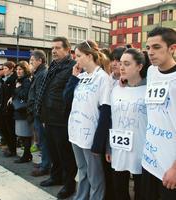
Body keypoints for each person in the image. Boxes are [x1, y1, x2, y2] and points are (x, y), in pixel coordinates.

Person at [63, 40, 112, 200]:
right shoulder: (81, 76)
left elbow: (106, 111)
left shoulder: (103, 78)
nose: (76, 59)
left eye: (78, 56)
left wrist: (99, 141)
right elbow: (66, 99)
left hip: (90, 135)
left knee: (94, 175)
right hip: (75, 132)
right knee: (82, 170)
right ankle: (81, 197)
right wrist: (73, 78)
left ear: (89, 56)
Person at [35, 37, 77, 199]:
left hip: (62, 118)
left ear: (67, 50)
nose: (53, 51)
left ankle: (69, 185)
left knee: (65, 154)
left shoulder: (73, 67)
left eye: (58, 48)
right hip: (49, 116)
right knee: (53, 151)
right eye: (52, 48)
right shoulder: (53, 66)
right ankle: (56, 176)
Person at [106, 48, 149, 200]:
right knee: (119, 190)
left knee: (142, 192)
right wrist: (108, 147)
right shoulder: (116, 89)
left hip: (142, 150)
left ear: (139, 66)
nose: (121, 67)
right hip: (119, 149)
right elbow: (111, 120)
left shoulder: (150, 89)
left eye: (127, 63)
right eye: (120, 63)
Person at [141, 27, 176, 200]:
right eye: (148, 48)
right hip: (149, 160)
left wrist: (175, 169)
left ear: (172, 48)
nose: (151, 53)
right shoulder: (151, 71)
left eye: (156, 47)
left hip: (170, 168)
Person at [27, 50, 51, 176]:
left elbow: (40, 95)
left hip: (40, 114)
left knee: (44, 141)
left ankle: (46, 166)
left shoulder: (42, 73)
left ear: (39, 61)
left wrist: (36, 111)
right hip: (37, 112)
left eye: (32, 61)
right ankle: (44, 163)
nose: (30, 64)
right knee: (42, 140)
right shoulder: (38, 73)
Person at [10, 61, 32, 163]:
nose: (18, 71)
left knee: (25, 135)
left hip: (23, 111)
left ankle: (26, 155)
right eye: (17, 69)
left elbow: (25, 95)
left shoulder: (26, 80)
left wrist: (18, 88)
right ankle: (27, 154)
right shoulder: (19, 80)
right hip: (19, 110)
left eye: (20, 69)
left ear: (25, 70)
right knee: (22, 135)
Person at [0, 61, 17, 157]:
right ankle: (9, 147)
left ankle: (12, 150)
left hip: (9, 109)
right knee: (3, 129)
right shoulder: (3, 79)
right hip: (2, 108)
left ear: (11, 69)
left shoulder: (14, 79)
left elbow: (14, 93)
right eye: (3, 68)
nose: (4, 70)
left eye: (5, 68)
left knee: (10, 130)